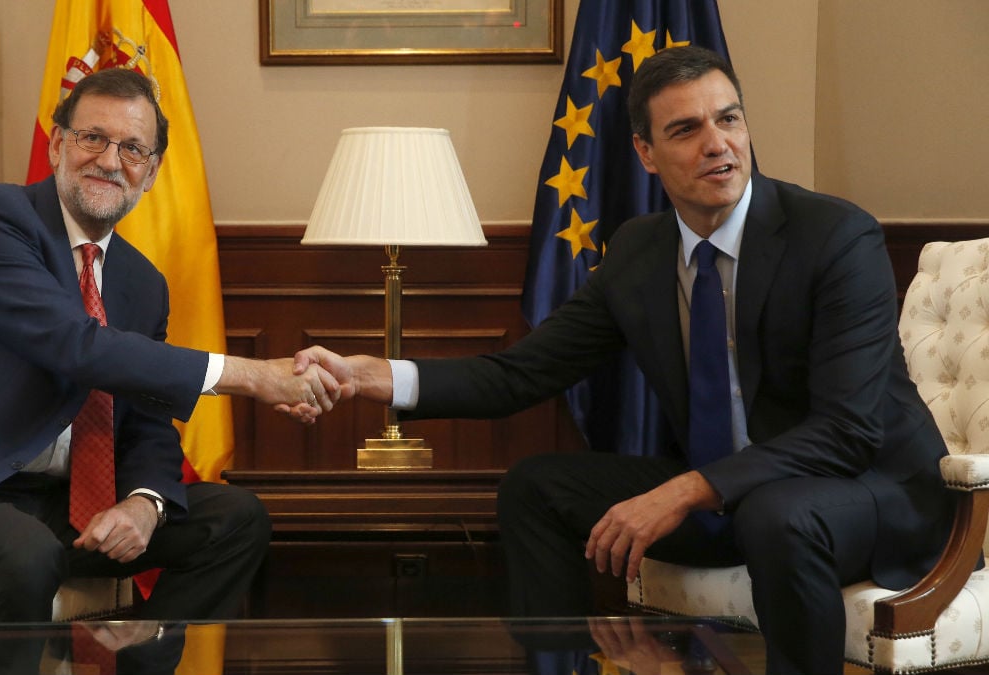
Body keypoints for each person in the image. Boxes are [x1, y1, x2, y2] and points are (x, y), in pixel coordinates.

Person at [292, 46, 957, 675]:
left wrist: (687, 488)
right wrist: (376, 376)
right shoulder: (640, 252)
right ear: (645, 151)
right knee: (537, 488)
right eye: (687, 129)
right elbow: (520, 373)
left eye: (728, 119)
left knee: (774, 513)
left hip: (871, 491)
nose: (718, 143)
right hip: (741, 496)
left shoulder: (835, 236)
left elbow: (847, 431)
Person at [0, 67, 337, 628]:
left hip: (57, 506)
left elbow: (147, 420)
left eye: (132, 148)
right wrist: (255, 376)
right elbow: (75, 345)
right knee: (23, 553)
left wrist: (144, 502)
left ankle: (139, 663)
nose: (110, 161)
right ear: (58, 143)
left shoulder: (142, 282)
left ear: (152, 172)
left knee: (237, 519)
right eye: (93, 138)